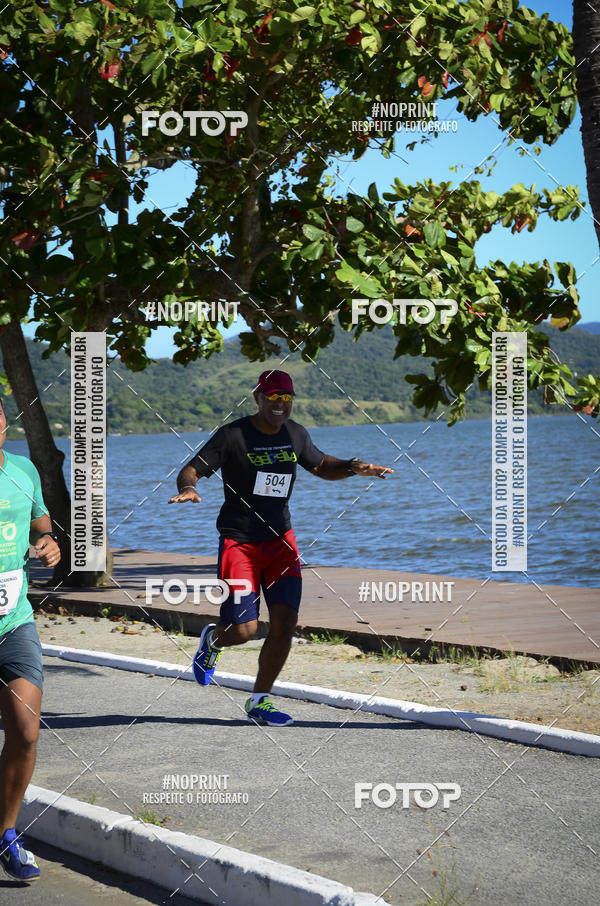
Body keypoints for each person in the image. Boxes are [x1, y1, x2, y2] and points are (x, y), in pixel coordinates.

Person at [169, 370, 392, 727]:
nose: (279, 404)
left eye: (286, 398)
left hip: (280, 543)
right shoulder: (233, 435)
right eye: (272, 397)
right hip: (239, 542)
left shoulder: (294, 433)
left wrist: (351, 468)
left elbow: (321, 465)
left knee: (285, 622)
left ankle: (260, 700)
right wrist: (189, 487)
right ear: (258, 397)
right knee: (243, 630)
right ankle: (213, 640)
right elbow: (192, 468)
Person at [0, 398, 61, 882]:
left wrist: (49, 544)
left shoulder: (24, 470)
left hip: (14, 621)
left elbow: (41, 526)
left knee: (25, 731)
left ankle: (6, 833)